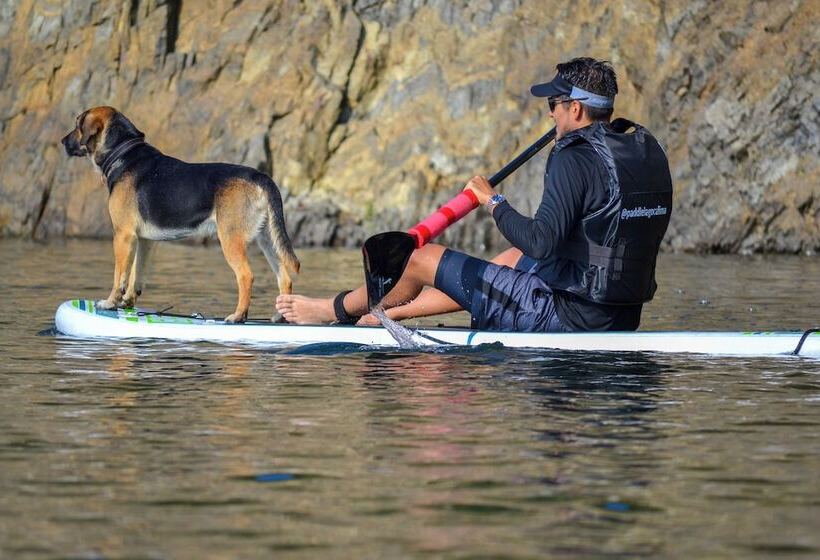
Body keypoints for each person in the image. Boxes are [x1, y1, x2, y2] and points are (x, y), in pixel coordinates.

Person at [276, 57, 673, 332]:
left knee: (418, 258)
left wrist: (492, 202)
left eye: (554, 104)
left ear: (576, 109)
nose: (550, 113)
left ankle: (331, 309)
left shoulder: (572, 158)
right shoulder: (641, 147)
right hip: (622, 314)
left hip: (565, 317)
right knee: (512, 260)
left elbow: (541, 239)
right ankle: (384, 317)